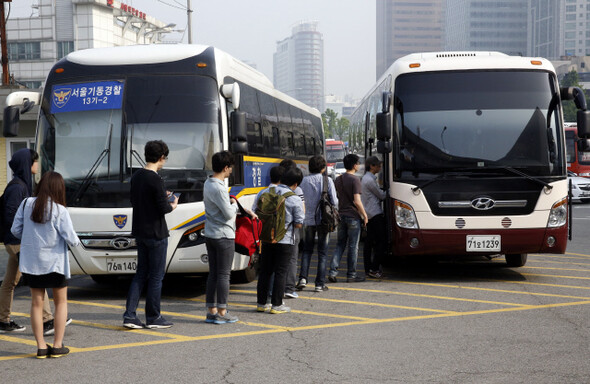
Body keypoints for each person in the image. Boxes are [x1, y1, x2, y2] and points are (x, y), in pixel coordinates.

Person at [11, 171, 80, 358]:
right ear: (59, 189)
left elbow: (15, 230)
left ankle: (41, 347)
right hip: (55, 263)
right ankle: (57, 345)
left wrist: (31, 237)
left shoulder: (26, 204)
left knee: (36, 303)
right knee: (61, 302)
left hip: (32, 262)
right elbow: (72, 239)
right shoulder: (60, 210)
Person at [0, 149, 68, 337]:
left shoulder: (22, 185)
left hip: (17, 241)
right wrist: (26, 236)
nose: (37, 165)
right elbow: (11, 217)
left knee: (10, 281)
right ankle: (46, 320)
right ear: (27, 163)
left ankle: (2, 319)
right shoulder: (18, 187)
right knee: (38, 276)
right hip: (17, 242)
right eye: (35, 162)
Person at [123, 140, 178, 329]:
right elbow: (163, 208)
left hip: (140, 231)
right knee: (156, 276)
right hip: (156, 233)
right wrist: (172, 203)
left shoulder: (137, 176)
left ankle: (130, 315)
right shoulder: (155, 179)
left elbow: (135, 200)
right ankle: (153, 317)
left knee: (140, 274)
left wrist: (161, 195)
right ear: (161, 157)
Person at [204, 151, 256, 324]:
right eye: (230, 168)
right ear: (225, 168)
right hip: (223, 235)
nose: (231, 171)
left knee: (213, 273)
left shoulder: (208, 183)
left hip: (210, 233)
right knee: (224, 274)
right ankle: (222, 311)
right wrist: (234, 205)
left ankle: (211, 311)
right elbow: (227, 214)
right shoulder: (219, 187)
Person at [256, 167, 304, 314]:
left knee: (265, 271)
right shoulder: (294, 198)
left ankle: (261, 303)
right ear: (295, 184)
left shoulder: (263, 193)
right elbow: (298, 223)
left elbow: (256, 213)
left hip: (266, 239)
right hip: (285, 240)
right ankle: (277, 305)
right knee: (281, 272)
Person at [297, 155, 338, 292]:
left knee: (307, 251)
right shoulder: (328, 180)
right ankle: (319, 284)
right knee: (322, 252)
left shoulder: (303, 181)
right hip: (323, 221)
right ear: (323, 167)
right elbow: (335, 201)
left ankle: (302, 279)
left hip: (307, 220)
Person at [328, 154, 369, 283]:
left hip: (341, 215)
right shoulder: (355, 180)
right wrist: (365, 215)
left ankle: (333, 271)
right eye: (358, 163)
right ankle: (351, 275)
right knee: (353, 246)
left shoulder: (338, 180)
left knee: (340, 244)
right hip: (353, 217)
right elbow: (357, 201)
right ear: (354, 165)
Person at [279, 159, 305, 299]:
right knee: (291, 260)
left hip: (271, 234)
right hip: (289, 234)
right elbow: (299, 222)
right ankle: (289, 288)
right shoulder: (295, 194)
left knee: (274, 264)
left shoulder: (268, 191)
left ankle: (273, 291)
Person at [361, 156, 387, 278]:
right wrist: (390, 191)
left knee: (369, 242)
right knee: (381, 241)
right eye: (378, 166)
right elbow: (381, 195)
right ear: (372, 166)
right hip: (375, 213)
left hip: (368, 213)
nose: (380, 168)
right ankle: (374, 267)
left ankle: (368, 268)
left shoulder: (365, 178)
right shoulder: (369, 180)